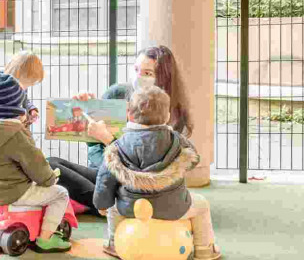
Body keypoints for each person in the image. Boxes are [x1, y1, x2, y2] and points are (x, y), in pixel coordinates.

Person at [48, 45, 194, 216]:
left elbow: (151, 171)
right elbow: (94, 150)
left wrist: (109, 140)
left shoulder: (169, 113)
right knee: (51, 163)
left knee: (108, 189)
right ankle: (106, 202)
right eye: (136, 70)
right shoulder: (117, 93)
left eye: (148, 73)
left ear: (163, 78)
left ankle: (111, 207)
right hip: (107, 172)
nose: (139, 77)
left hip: (140, 185)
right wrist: (92, 109)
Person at [94, 85, 220, 260]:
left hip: (131, 208)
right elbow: (193, 159)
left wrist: (102, 204)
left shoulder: (118, 146)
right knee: (201, 205)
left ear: (129, 114)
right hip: (173, 207)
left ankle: (115, 245)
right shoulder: (176, 140)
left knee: (113, 209)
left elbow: (105, 179)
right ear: (167, 116)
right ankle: (205, 249)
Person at [0, 75, 72, 252]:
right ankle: (46, 239)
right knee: (61, 194)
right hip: (14, 192)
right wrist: (49, 179)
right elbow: (36, 164)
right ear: (16, 106)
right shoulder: (15, 134)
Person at [0, 51, 45, 127]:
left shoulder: (18, 83)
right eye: (26, 83)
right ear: (18, 74)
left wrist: (32, 110)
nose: (25, 87)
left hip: (12, 126)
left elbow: (23, 98)